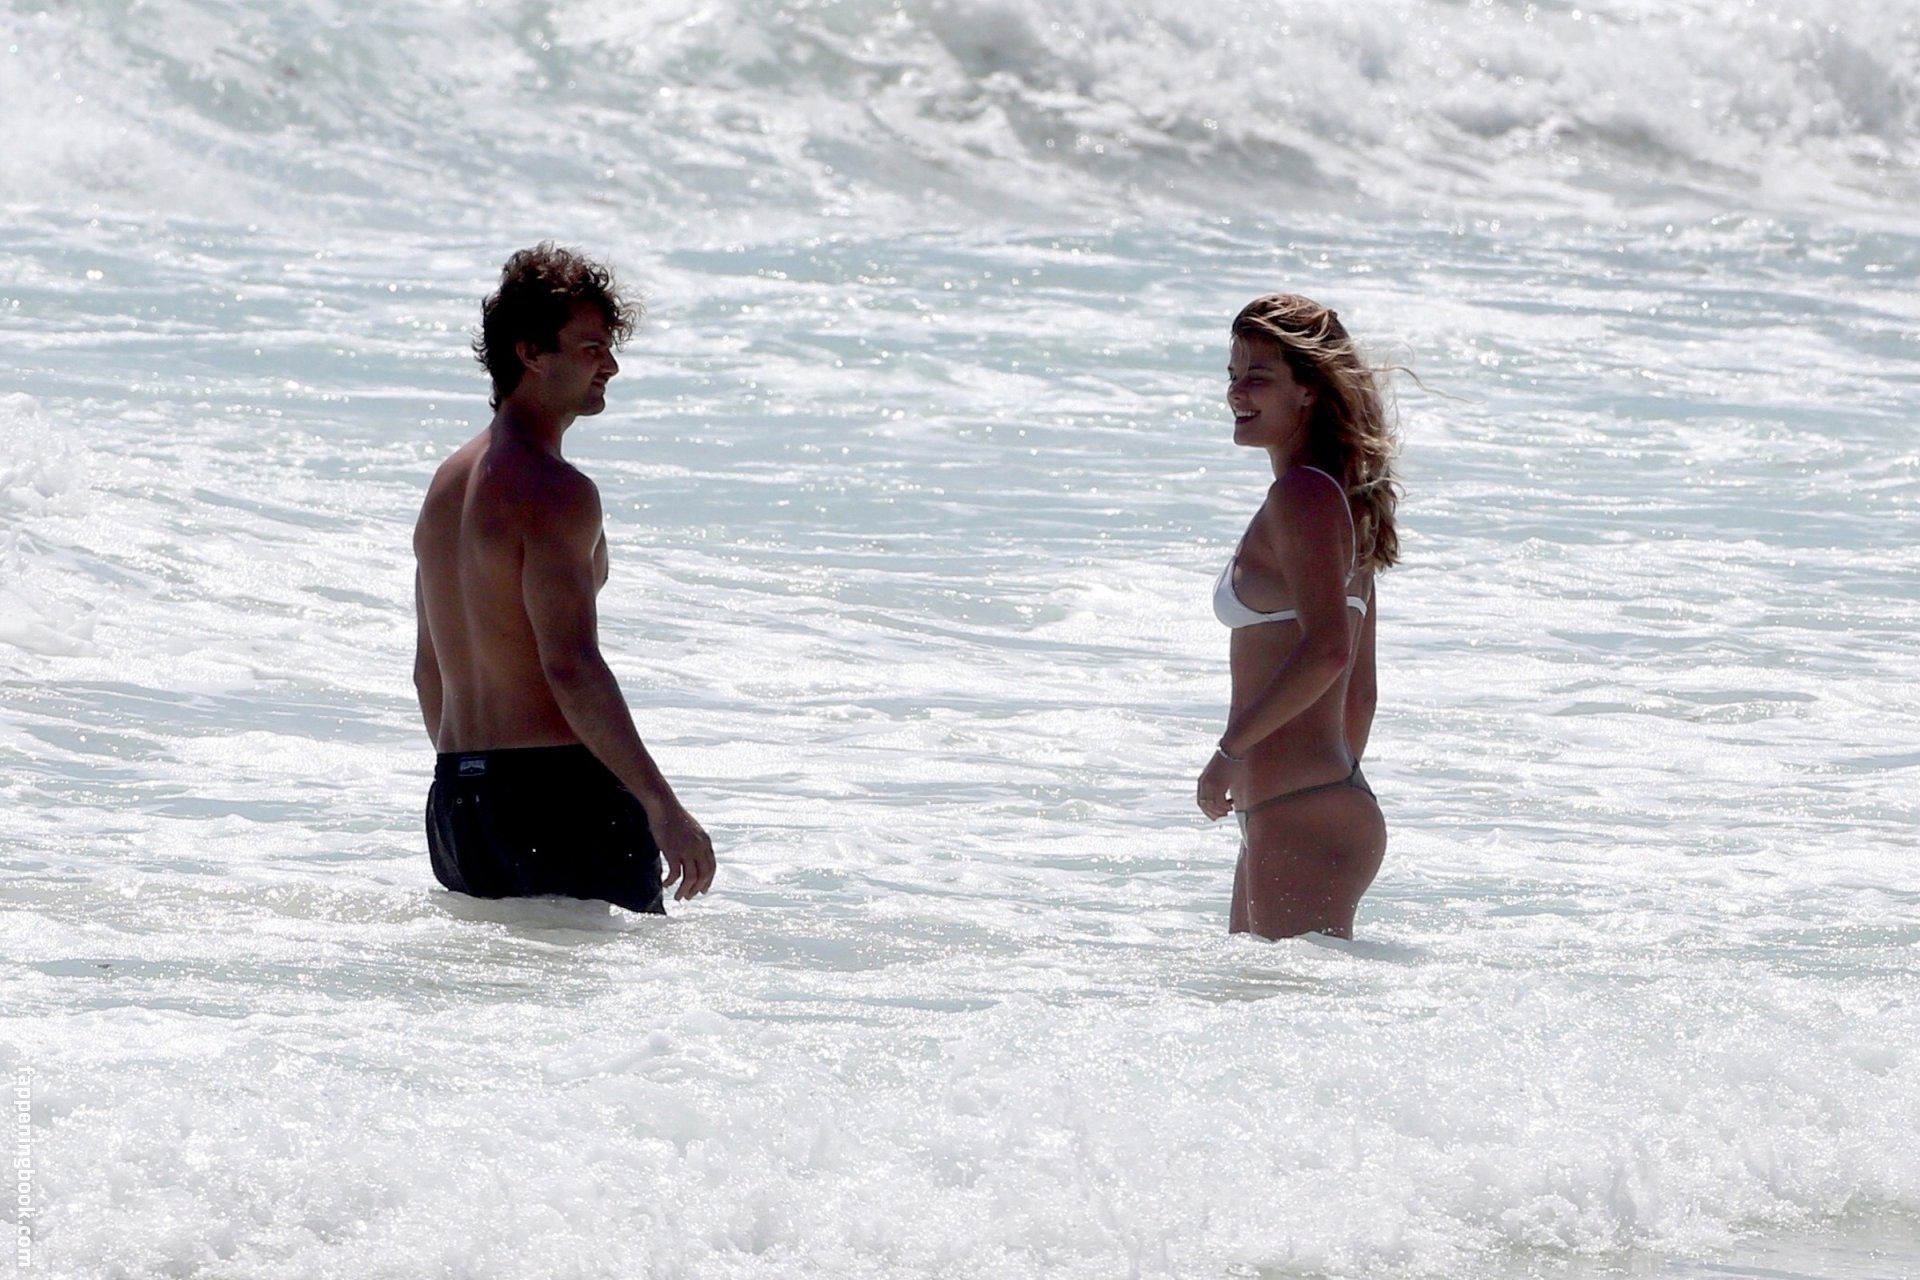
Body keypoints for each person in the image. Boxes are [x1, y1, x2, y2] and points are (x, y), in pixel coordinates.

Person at [413, 243, 715, 914]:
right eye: (590, 348)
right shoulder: (553, 490)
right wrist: (664, 808)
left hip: (458, 798)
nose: (610, 365)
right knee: (619, 980)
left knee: (505, 979)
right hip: (557, 793)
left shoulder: (445, 487)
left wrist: (479, 784)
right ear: (530, 353)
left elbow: (428, 672)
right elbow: (570, 665)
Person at [1196, 294, 1401, 940]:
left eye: (1258, 376)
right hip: (1301, 807)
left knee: (1281, 1001)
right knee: (1264, 1000)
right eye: (1232, 375)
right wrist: (1322, 784)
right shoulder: (1340, 501)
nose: (1236, 392)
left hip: (1297, 810)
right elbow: (1360, 695)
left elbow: (1329, 651)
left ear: (1309, 389)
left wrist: (1233, 753)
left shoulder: (1304, 496)